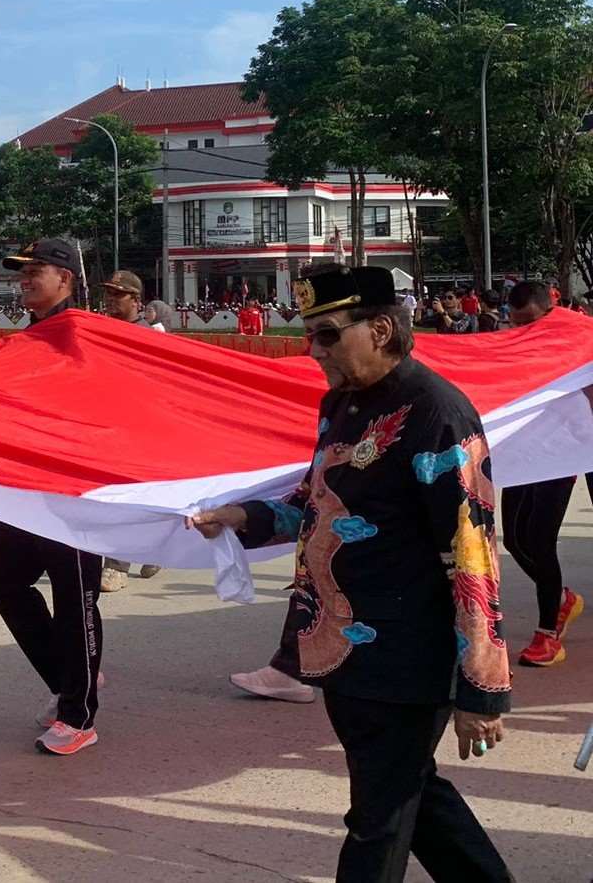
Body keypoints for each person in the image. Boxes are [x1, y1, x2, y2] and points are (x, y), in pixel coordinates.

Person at [188, 264, 512, 882]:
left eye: (329, 334)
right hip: (342, 648)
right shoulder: (341, 404)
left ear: (382, 329)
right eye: (310, 334)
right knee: (412, 793)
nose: (314, 351)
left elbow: (474, 554)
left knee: (377, 820)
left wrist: (483, 685)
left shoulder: (437, 414)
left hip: (407, 653)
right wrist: (243, 517)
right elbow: (318, 505)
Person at [0, 238, 104, 757]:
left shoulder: (83, 335)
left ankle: (79, 716)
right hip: (30, 490)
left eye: (38, 270)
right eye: (22, 272)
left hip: (75, 490)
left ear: (67, 279)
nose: (26, 278)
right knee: (4, 581)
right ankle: (72, 680)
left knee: (75, 595)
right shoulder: (33, 337)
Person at [499, 280, 584, 667]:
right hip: (524, 452)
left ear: (549, 311)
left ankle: (548, 632)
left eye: (529, 322)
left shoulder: (579, 342)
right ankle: (561, 599)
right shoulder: (514, 345)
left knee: (539, 537)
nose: (522, 330)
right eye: (515, 323)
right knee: (516, 540)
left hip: (564, 453)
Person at [95, 270, 163, 588]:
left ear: (136, 300)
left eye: (117, 294)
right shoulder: (101, 332)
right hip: (108, 423)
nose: (110, 300)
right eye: (108, 293)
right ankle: (152, 548)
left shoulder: (148, 336)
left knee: (132, 495)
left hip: (140, 426)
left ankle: (117, 565)